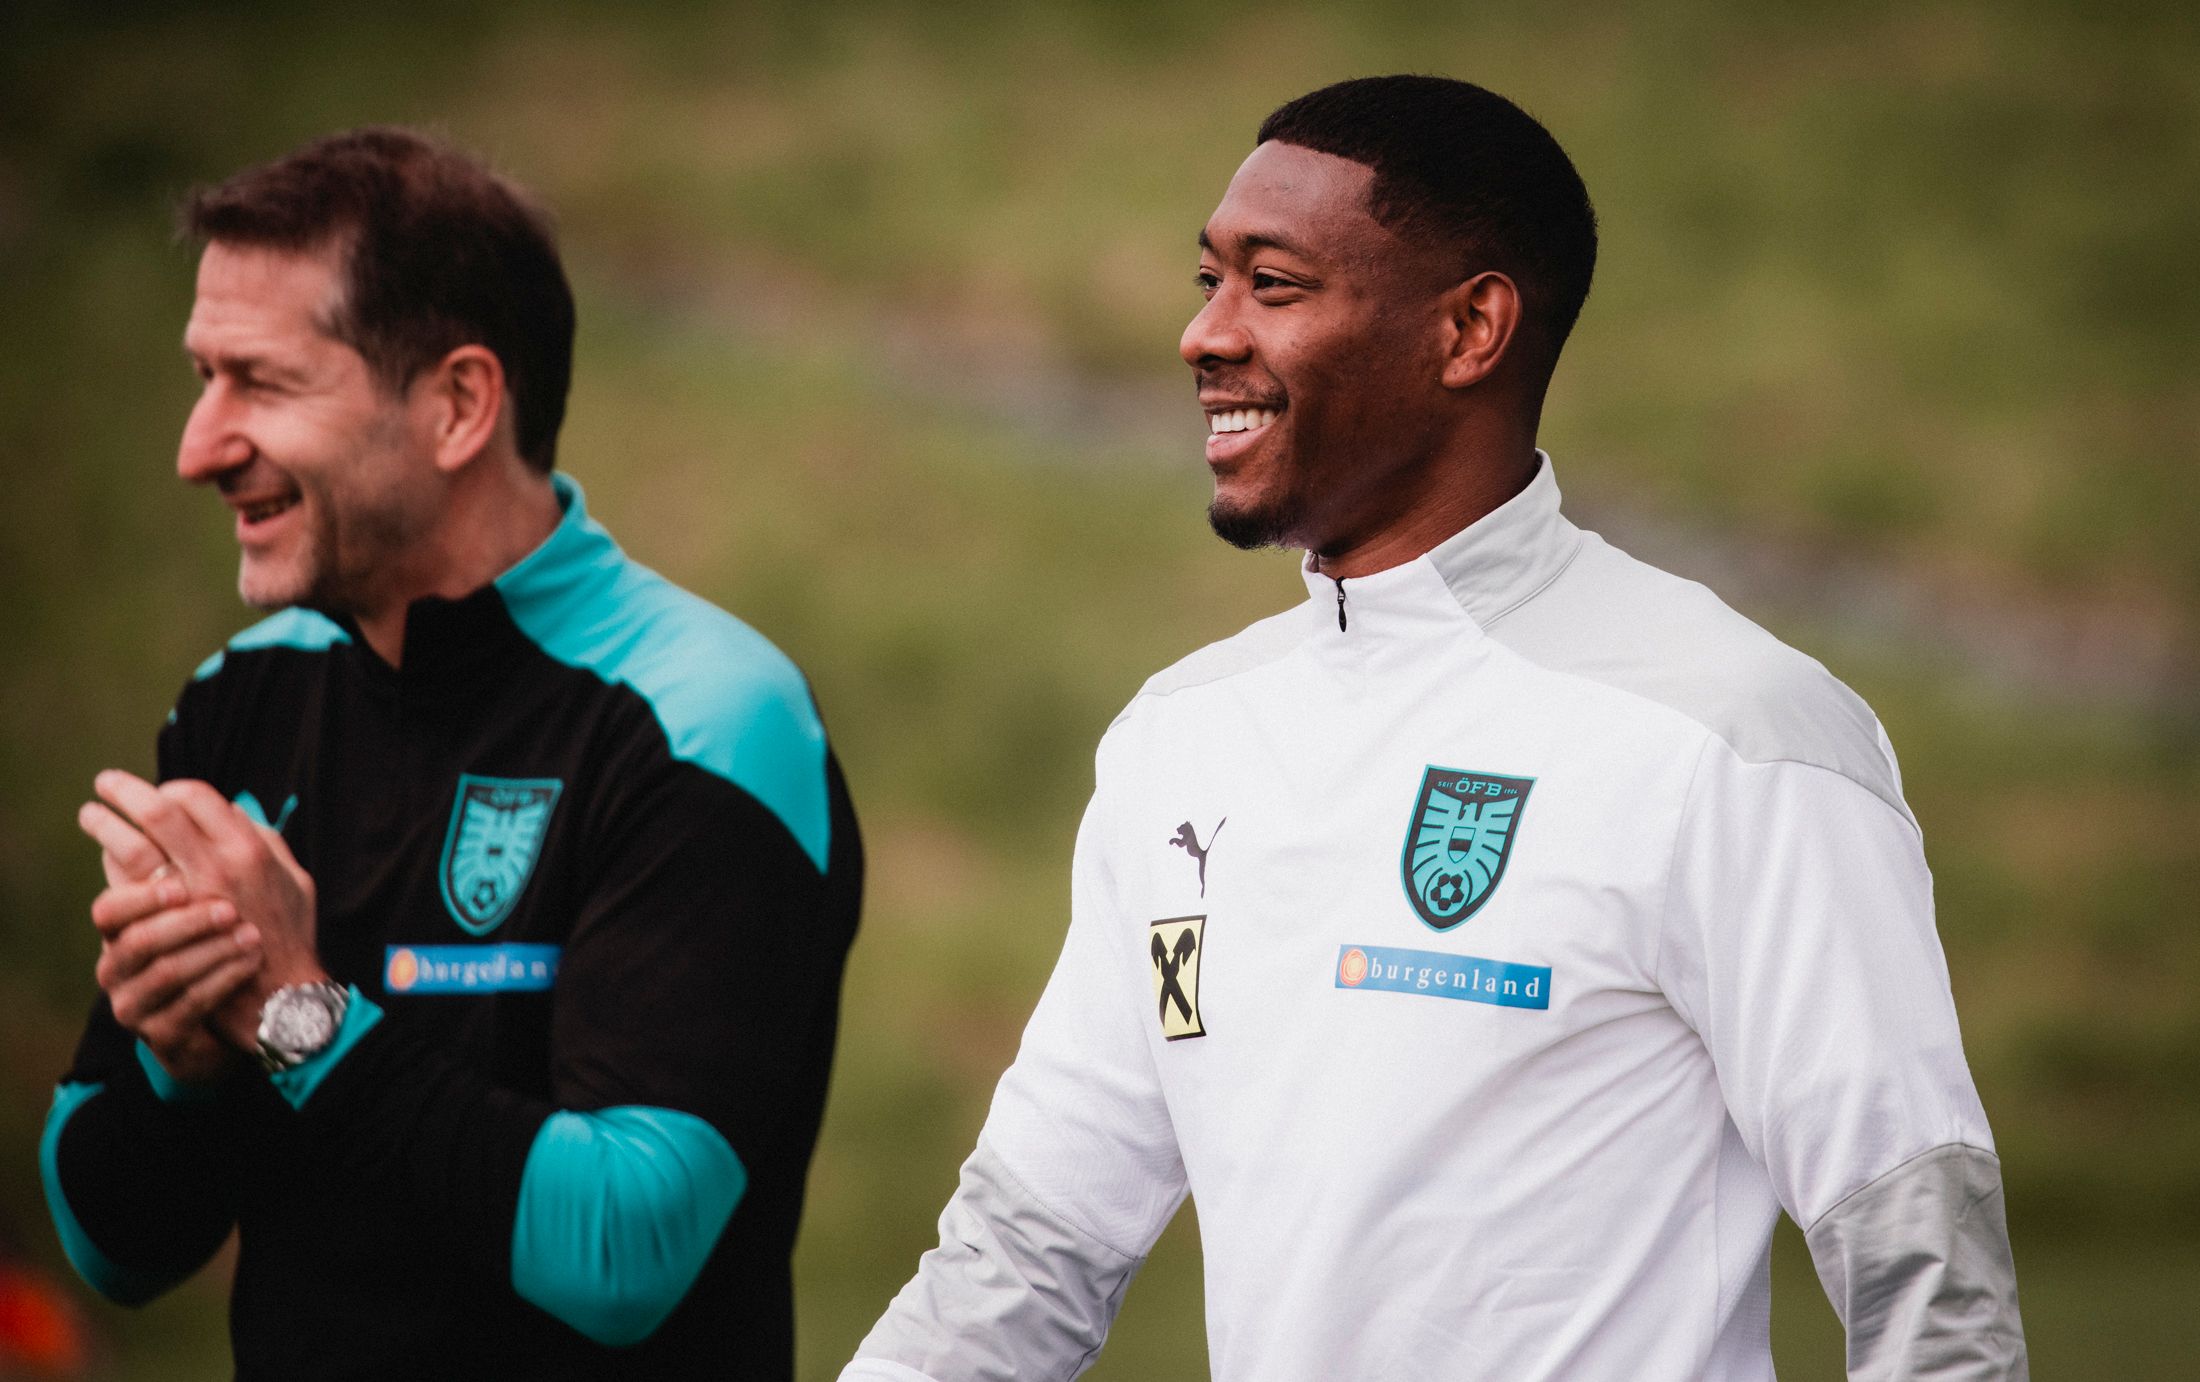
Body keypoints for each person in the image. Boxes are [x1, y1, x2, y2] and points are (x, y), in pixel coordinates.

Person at [843, 76, 2024, 1381]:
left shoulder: (1731, 732)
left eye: (1273, 285)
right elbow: (1027, 1251)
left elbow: (1928, 1277)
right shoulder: (1178, 741)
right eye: (1207, 277)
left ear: (1470, 328)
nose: (1202, 334)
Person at [38, 127, 863, 1380]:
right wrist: (178, 1068)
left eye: (260, 383)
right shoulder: (241, 699)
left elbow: (623, 1252)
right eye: (203, 378)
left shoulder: (707, 717)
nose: (197, 446)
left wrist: (289, 1010)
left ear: (460, 404)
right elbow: (113, 1248)